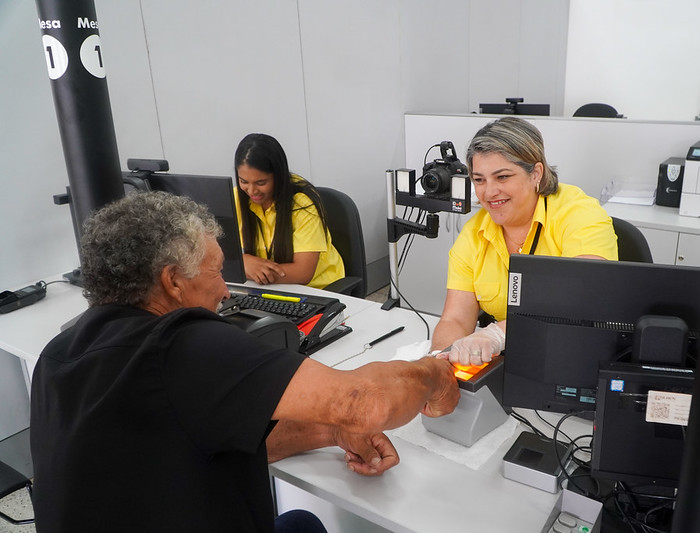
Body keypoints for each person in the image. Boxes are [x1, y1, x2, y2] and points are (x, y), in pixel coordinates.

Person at [29, 191, 459, 532]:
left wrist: (329, 429)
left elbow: (189, 441)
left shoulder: (58, 354)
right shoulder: (184, 347)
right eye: (216, 272)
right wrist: (435, 373)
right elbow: (367, 403)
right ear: (173, 281)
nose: (227, 293)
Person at [431, 117, 618, 366]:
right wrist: (439, 363)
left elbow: (582, 297)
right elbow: (454, 319)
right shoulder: (474, 233)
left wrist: (497, 333)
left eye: (503, 177)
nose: (488, 192)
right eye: (479, 180)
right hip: (517, 360)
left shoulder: (579, 213)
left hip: (575, 354)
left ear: (536, 174)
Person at [234, 133, 345, 287]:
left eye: (261, 182)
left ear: (278, 176)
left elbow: (302, 272)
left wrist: (245, 268)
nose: (251, 191)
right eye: (244, 181)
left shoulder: (302, 204)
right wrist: (244, 262)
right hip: (269, 288)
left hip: (318, 289)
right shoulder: (236, 198)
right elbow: (214, 253)